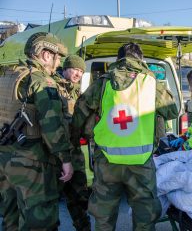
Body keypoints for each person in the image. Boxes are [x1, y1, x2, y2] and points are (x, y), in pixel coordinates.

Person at [71, 42, 178, 231]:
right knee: (144, 213)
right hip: (141, 162)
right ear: (141, 59)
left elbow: (80, 112)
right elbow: (172, 111)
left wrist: (75, 139)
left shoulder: (103, 82)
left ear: (119, 59)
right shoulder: (151, 82)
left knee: (104, 214)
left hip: (106, 161)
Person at [0, 32, 73, 230]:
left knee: (10, 218)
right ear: (46, 54)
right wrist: (65, 159)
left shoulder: (7, 75)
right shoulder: (40, 80)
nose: (58, 64)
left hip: (5, 159)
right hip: (30, 163)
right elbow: (52, 126)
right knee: (39, 220)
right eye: (57, 58)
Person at [53, 55, 91, 231]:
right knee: (49, 200)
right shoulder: (53, 87)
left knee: (80, 198)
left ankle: (83, 228)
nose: (78, 73)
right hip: (55, 154)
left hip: (74, 153)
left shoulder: (78, 93)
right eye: (75, 69)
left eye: (81, 71)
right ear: (66, 68)